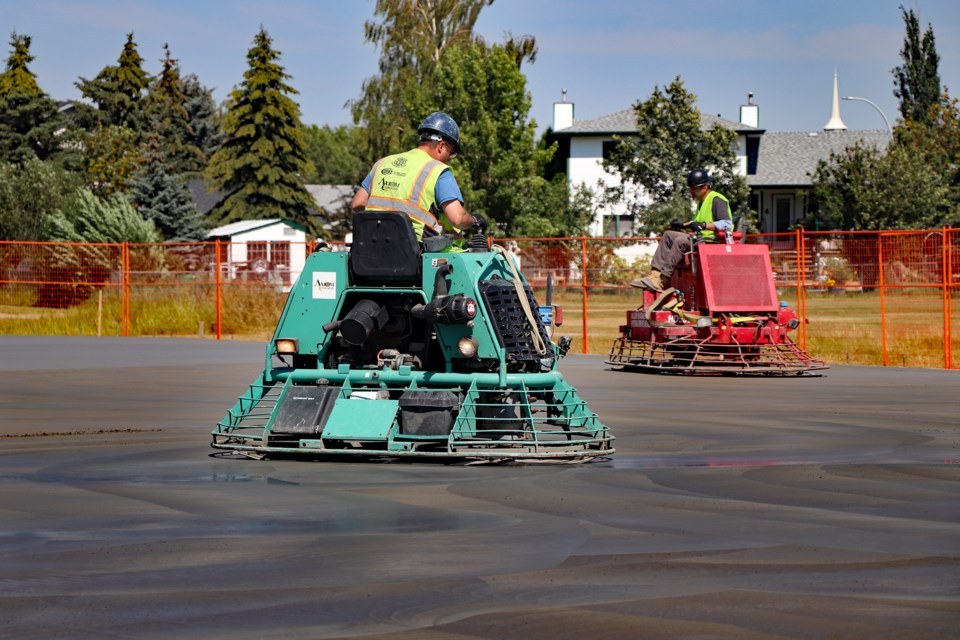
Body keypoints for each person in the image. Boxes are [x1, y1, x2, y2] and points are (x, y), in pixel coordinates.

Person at [350, 112, 485, 250]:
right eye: (451, 152)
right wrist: (474, 221)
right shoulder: (438, 171)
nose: (449, 158)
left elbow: (357, 203)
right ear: (441, 146)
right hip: (412, 258)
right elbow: (458, 218)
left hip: (370, 252)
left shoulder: (382, 163)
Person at [632, 168, 734, 291]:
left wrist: (704, 225)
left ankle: (663, 280)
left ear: (705, 187)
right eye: (690, 188)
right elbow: (697, 223)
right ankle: (654, 275)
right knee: (668, 235)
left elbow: (727, 224)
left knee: (680, 241)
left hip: (710, 243)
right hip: (700, 239)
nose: (691, 191)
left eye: (694, 188)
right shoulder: (701, 202)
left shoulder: (717, 200)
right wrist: (683, 225)